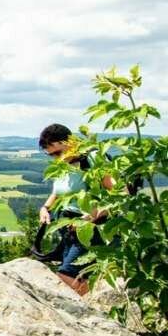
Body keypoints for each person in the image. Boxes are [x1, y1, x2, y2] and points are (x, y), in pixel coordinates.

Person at [37, 123, 115, 296]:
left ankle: (83, 313)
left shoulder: (93, 158)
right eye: (51, 155)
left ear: (71, 142)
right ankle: (88, 310)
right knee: (80, 278)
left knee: (66, 275)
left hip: (92, 228)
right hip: (69, 229)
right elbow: (57, 192)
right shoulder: (63, 165)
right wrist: (45, 208)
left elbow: (116, 195)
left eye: (58, 152)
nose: (57, 158)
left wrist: (87, 219)